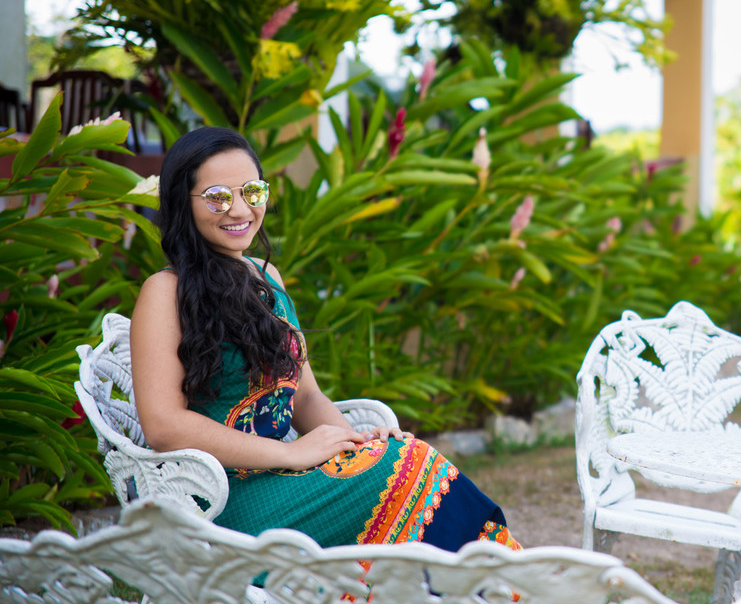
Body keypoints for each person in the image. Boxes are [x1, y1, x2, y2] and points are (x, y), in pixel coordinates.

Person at [129, 126, 520, 554]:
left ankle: (509, 599)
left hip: (289, 481)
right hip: (222, 500)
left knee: (401, 455)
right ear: (181, 204)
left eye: (253, 192)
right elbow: (164, 426)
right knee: (410, 467)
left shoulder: (267, 279)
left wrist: (352, 442)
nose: (239, 209)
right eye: (219, 196)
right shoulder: (164, 292)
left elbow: (305, 396)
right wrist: (293, 455)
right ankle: (526, 599)